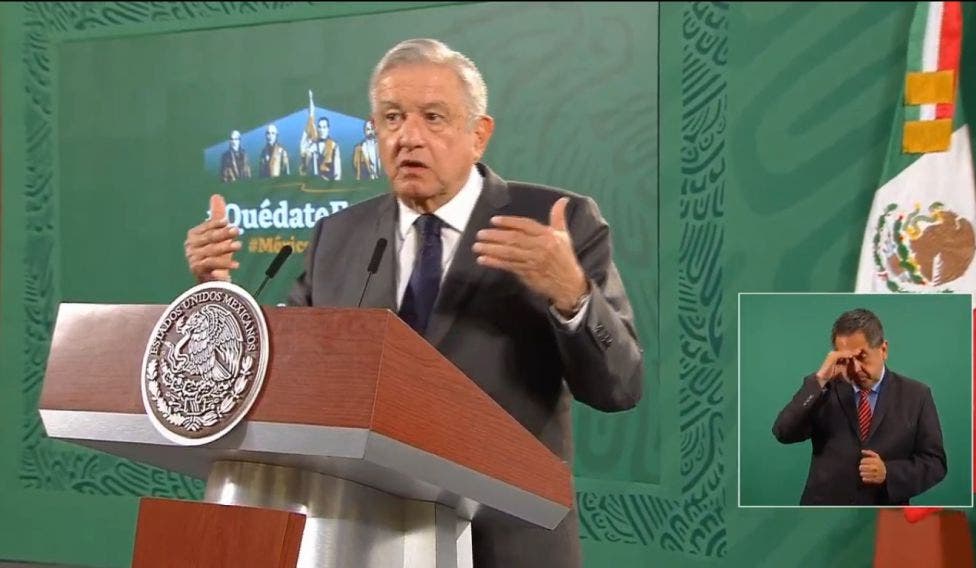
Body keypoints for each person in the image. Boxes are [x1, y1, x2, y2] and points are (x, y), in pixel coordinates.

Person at [184, 38, 644, 568]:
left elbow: (620, 386)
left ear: (479, 134)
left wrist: (572, 294)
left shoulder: (554, 222)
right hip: (360, 536)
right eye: (392, 118)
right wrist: (219, 299)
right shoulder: (339, 235)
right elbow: (294, 374)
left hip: (506, 544)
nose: (408, 137)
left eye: (433, 117)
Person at [772, 308, 947, 506]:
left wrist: (889, 473)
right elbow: (783, 432)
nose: (855, 368)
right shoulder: (823, 390)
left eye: (862, 357)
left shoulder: (917, 395)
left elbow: (935, 463)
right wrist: (820, 380)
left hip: (883, 514)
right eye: (846, 360)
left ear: (883, 350)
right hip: (823, 512)